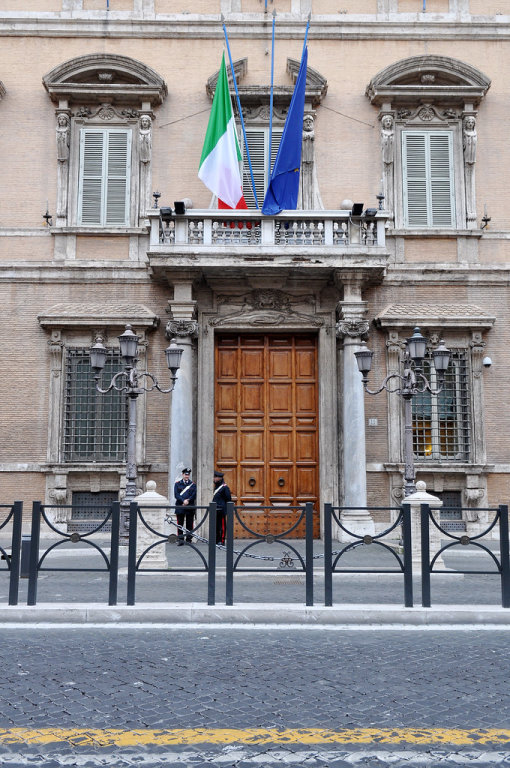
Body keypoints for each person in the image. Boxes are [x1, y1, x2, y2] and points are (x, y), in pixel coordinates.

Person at [174, 467, 196, 545]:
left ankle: (189, 539)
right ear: (182, 474)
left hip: (189, 506)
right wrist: (183, 501)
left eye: (188, 475)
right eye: (185, 475)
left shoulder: (192, 485)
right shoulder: (177, 484)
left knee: (190, 524)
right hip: (180, 506)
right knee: (180, 524)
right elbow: (176, 495)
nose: (187, 476)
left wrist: (188, 500)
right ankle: (180, 539)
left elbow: (193, 495)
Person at [212, 470, 231, 545]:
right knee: (216, 525)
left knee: (222, 526)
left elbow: (228, 498)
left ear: (219, 478)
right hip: (216, 509)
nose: (214, 479)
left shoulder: (224, 487)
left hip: (221, 509)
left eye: (215, 477)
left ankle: (222, 540)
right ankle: (217, 539)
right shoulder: (217, 486)